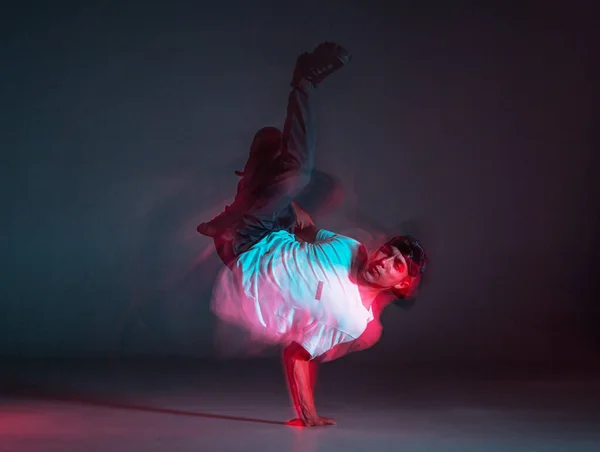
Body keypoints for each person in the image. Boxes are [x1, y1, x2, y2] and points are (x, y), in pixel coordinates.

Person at [197, 42, 428, 427]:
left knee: (296, 173)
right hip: (269, 228)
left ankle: (303, 82)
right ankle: (244, 202)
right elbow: (305, 228)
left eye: (396, 264)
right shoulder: (351, 249)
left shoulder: (353, 320)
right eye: (388, 251)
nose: (384, 258)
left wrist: (307, 415)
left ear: (402, 285)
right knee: (276, 146)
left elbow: (298, 353)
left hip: (245, 249)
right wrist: (282, 200)